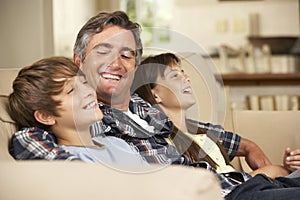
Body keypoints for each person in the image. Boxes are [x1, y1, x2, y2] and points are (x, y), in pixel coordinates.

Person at [10, 10, 271, 170]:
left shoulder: (142, 106)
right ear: (79, 63)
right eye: (103, 51)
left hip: (235, 184)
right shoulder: (91, 117)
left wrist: (248, 147)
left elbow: (191, 130)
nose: (116, 63)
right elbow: (34, 133)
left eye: (127, 55)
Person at [131, 52, 300, 199]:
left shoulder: (198, 130)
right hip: (239, 193)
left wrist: (284, 169)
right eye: (175, 76)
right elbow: (201, 189)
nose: (187, 78)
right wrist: (267, 173)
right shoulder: (159, 141)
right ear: (155, 95)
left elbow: (246, 145)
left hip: (261, 186)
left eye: (183, 72)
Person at [9, 56, 146, 166]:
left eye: (84, 83)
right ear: (46, 116)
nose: (87, 91)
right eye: (72, 90)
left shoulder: (118, 144)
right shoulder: (70, 161)